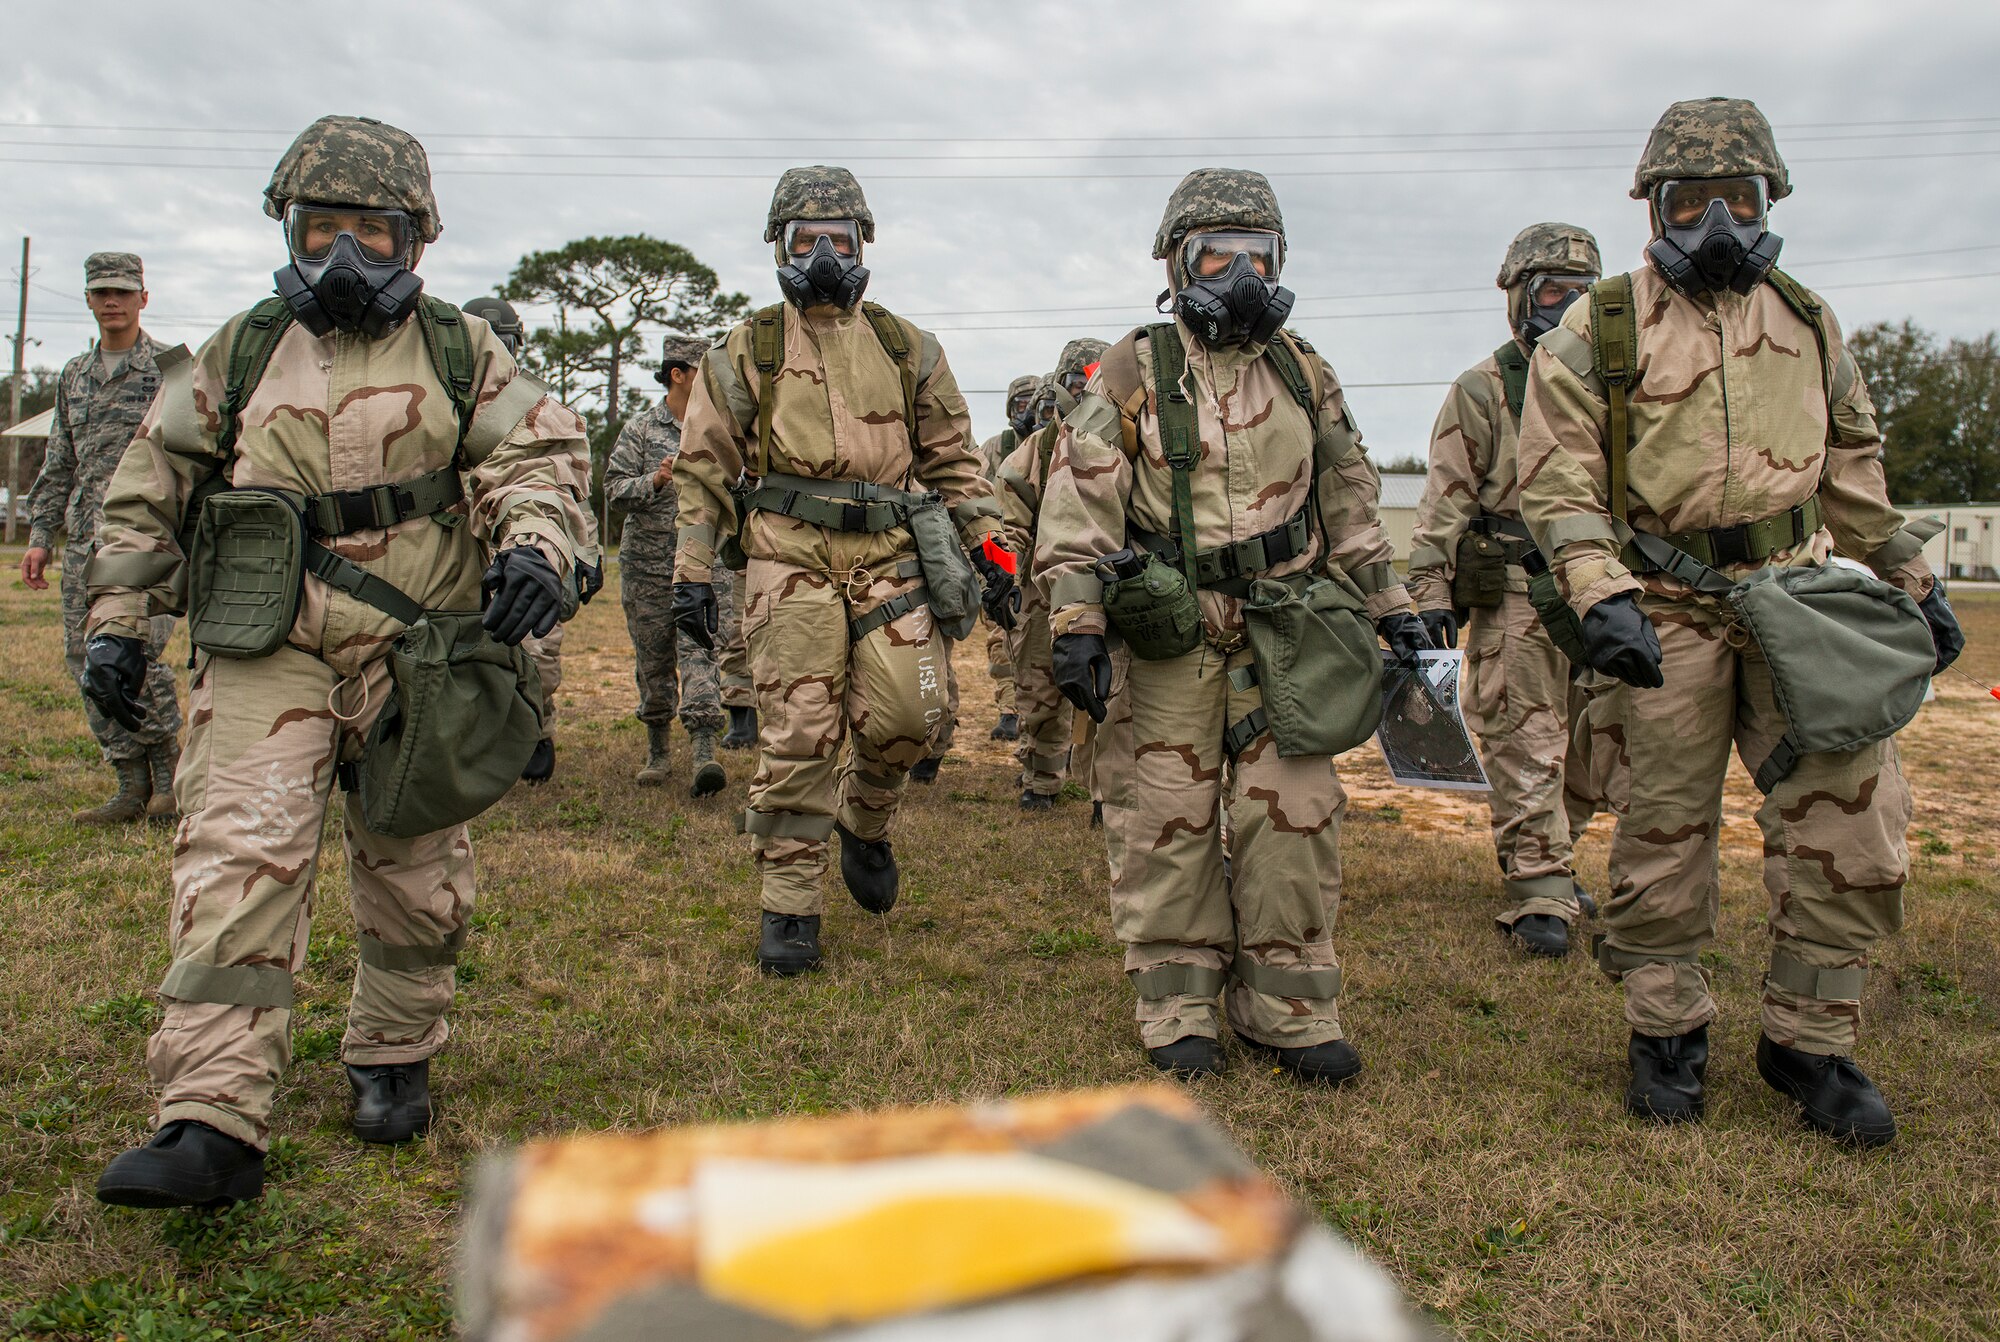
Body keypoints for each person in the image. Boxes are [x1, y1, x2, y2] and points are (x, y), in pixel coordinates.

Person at [86, 115, 593, 1206]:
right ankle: (209, 1114)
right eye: (322, 230)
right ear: (288, 228)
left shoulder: (462, 349)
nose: (346, 258)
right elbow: (150, 482)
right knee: (237, 855)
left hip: (421, 648)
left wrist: (538, 546)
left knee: (414, 874)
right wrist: (119, 623)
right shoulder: (242, 348)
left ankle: (392, 1050)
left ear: (418, 239)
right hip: (266, 644)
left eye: (375, 232)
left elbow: (538, 449)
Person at [1517, 97, 1964, 1144]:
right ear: (1652, 210)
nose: (1714, 222)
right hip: (1660, 606)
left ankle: (1809, 1039)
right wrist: (1599, 591)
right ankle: (1663, 1028)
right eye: (1688, 201)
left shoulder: (1805, 319)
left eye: (1738, 198)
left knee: (1850, 817)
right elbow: (1555, 481)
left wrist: (1906, 573)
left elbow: (1851, 467)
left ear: (1770, 200)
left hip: (1796, 600)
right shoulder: (1601, 325)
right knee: (1661, 830)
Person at [1037, 169, 1428, 1081]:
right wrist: (1077, 618)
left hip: (1286, 630)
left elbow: (1351, 494)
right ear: (1178, 263)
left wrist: (1392, 602)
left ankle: (1287, 1005)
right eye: (1220, 254)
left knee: (1292, 815)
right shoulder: (1134, 365)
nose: (1243, 273)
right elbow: (1080, 494)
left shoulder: (1303, 369)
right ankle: (1177, 1001)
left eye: (1262, 255)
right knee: (1165, 819)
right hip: (1169, 629)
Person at [671, 166, 1014, 975]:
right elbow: (703, 468)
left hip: (891, 555)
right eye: (805, 239)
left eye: (841, 239)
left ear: (865, 244)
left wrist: (997, 555)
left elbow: (959, 466)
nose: (824, 253)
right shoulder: (746, 347)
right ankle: (790, 905)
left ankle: (866, 819)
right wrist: (691, 570)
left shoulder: (908, 347)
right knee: (798, 732)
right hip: (788, 557)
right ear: (778, 247)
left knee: (909, 718)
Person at [1407, 224, 1603, 957]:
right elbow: (1444, 503)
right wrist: (1428, 593)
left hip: (1608, 591)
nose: (1570, 307)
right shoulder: (1484, 390)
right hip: (1519, 592)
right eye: (1554, 291)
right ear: (1521, 297)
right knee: (1528, 742)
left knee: (1599, 744)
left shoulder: (1625, 385)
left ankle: (1552, 847)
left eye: (1586, 294)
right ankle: (1540, 888)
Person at [19, 252, 182, 824]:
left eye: (122, 291)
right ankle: (128, 783)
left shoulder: (172, 369)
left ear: (143, 297)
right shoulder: (73, 377)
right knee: (84, 661)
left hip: (146, 543)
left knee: (138, 655)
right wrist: (41, 533)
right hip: (87, 546)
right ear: (88, 300)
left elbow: (195, 458)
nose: (112, 301)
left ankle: (169, 778)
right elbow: (58, 463)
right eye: (101, 292)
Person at [464, 295, 604, 785]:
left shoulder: (536, 408)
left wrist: (587, 552)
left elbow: (567, 489)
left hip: (531, 547)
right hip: (461, 551)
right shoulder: (443, 397)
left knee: (538, 651)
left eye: (505, 342)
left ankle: (536, 732)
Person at [605, 334, 734, 796]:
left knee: (701, 650)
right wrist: (654, 480)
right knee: (654, 658)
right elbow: (613, 491)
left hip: (703, 564)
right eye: (702, 371)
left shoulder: (719, 431)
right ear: (678, 373)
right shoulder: (641, 429)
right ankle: (658, 752)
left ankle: (704, 753)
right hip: (648, 569)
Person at [996, 343, 1107, 810]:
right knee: (1039, 693)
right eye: (1078, 384)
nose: (1086, 393)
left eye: (1095, 382)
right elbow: (1001, 526)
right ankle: (1041, 781)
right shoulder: (1037, 450)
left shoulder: (1132, 438)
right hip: (1042, 591)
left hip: (1116, 588)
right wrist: (1000, 577)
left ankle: (1108, 794)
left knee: (1117, 697)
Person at [975, 373, 1039, 743]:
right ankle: (1009, 710)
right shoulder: (995, 447)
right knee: (1002, 632)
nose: (1027, 412)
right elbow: (973, 500)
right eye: (1020, 404)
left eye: (1035, 404)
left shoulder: (1053, 443)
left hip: (1043, 558)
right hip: (1001, 553)